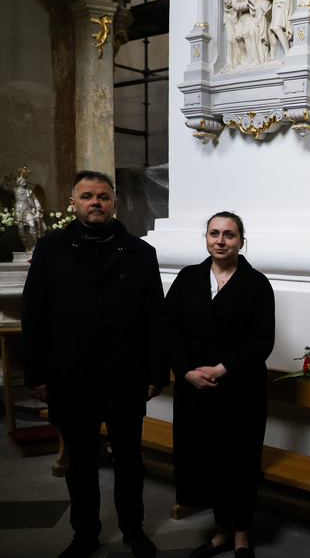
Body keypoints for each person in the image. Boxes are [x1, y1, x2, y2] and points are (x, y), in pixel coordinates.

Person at [22, 170, 166, 558]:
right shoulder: (51, 249)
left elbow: (155, 318)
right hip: (71, 376)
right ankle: (84, 533)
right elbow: (33, 315)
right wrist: (34, 374)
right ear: (73, 203)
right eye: (86, 196)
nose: (95, 202)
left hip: (126, 377)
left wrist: (156, 372)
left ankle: (133, 530)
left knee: (129, 460)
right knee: (81, 462)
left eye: (102, 196)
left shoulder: (140, 253)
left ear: (115, 203)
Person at [166, 212, 275, 558]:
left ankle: (242, 536)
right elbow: (170, 331)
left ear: (242, 241)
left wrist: (221, 369)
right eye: (214, 233)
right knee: (207, 463)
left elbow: (261, 341)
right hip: (195, 391)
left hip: (241, 392)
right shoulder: (188, 278)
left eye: (229, 234)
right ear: (206, 238)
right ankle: (221, 532)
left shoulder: (256, 284)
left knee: (239, 464)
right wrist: (185, 371)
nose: (221, 240)